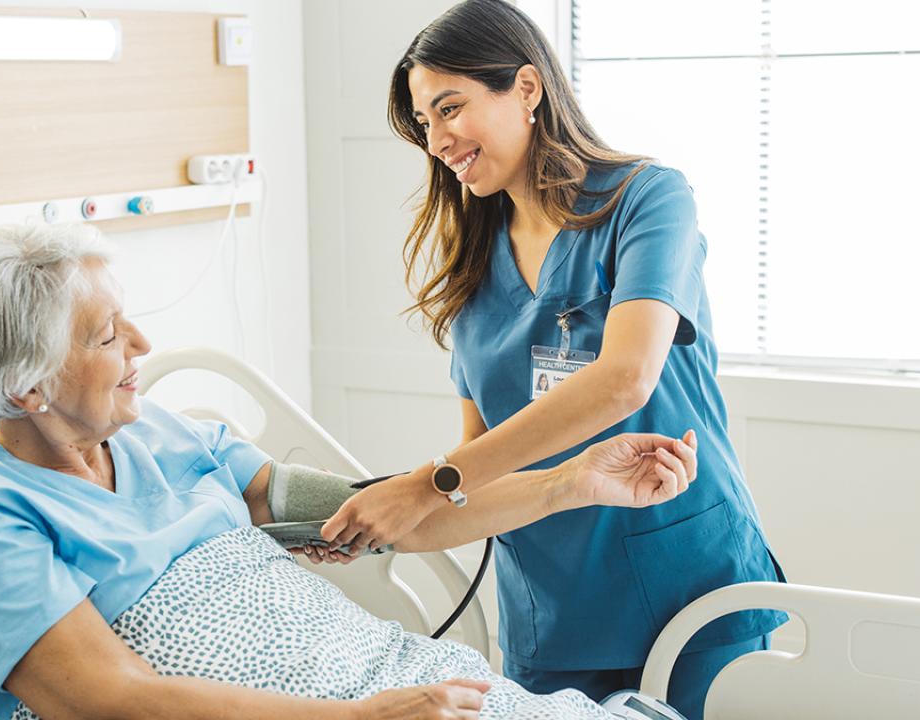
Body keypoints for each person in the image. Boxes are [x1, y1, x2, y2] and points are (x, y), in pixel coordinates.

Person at [0, 223, 698, 720]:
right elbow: (105, 698)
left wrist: (572, 485)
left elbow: (380, 516)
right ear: (29, 383)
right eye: (109, 336)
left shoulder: (171, 436)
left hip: (385, 679)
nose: (143, 350)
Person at [318, 2, 786, 718]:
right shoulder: (472, 273)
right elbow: (478, 482)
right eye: (423, 123)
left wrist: (427, 483)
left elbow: (625, 379)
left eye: (451, 108)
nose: (437, 138)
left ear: (528, 88)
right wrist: (372, 529)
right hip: (552, 618)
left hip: (689, 592)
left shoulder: (647, 200)